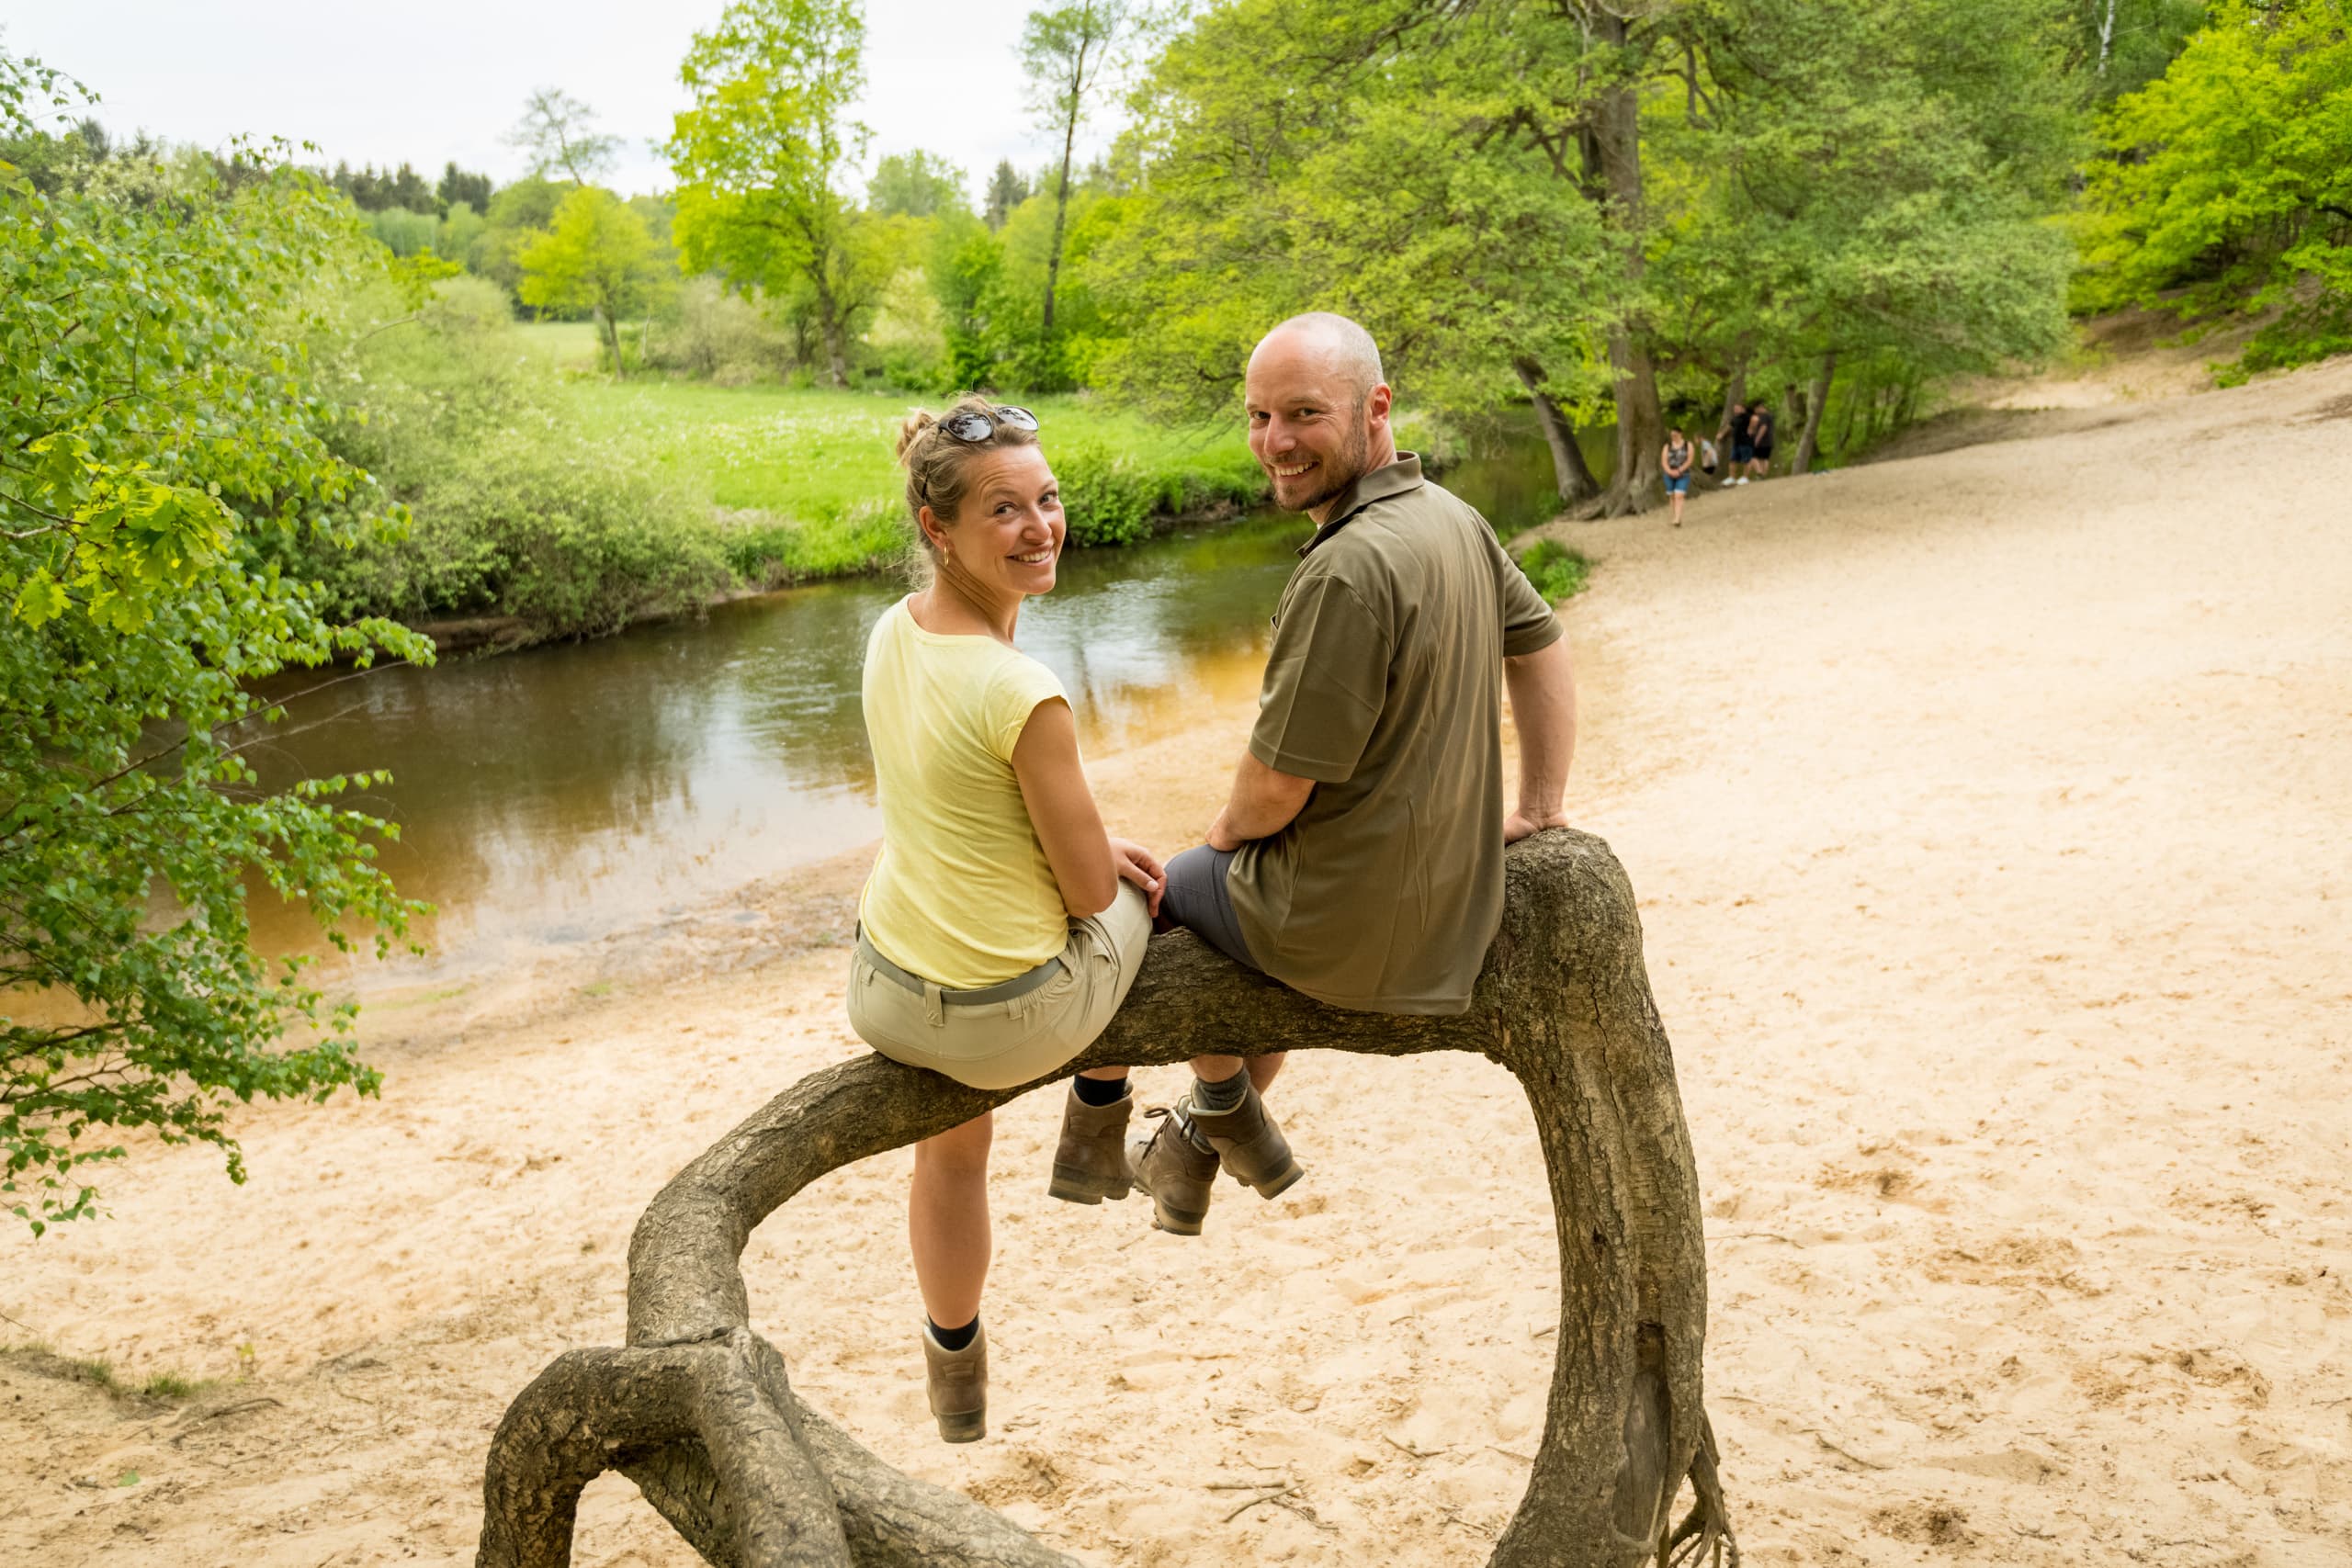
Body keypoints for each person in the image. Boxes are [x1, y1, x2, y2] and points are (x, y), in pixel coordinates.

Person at [1106, 311, 1580, 1237]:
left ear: (1376, 408)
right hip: (1449, 902)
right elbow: (1545, 647)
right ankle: (1202, 1151)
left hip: (1362, 932)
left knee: (1164, 891)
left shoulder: (1345, 571)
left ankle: (1171, 1133)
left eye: (1303, 415)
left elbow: (1276, 787)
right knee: (1241, 914)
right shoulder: (1452, 520)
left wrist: (1221, 839)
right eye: (1257, 417)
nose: (1274, 442)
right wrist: (1540, 804)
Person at [847, 395, 1172, 1445]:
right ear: (937, 529)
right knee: (1179, 894)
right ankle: (1100, 1108)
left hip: (889, 992)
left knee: (949, 1155)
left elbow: (962, 808)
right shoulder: (1021, 688)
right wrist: (1105, 859)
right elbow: (1088, 896)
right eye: (1003, 510)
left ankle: (955, 1369)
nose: (1040, 527)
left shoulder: (891, 634)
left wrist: (1084, 839)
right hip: (1008, 1021)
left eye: (1048, 498)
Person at [1661, 426, 1695, 526]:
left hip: (1683, 474)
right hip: (1669, 474)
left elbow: (1689, 460)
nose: (1673, 437)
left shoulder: (1688, 445)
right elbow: (1664, 461)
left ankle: (1677, 518)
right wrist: (1670, 471)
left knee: (1679, 495)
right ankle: (1675, 516)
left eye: (1675, 435)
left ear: (1680, 434)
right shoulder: (1667, 446)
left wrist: (1680, 470)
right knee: (1672, 496)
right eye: (1672, 435)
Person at [1722, 401, 1753, 486]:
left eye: (1737, 408)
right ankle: (1732, 477)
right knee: (1732, 460)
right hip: (1736, 443)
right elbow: (1730, 426)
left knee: (1746, 460)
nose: (1735, 410)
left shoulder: (1748, 416)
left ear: (1743, 408)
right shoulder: (1735, 417)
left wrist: (1751, 429)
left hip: (1746, 442)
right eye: (1734, 408)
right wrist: (1722, 434)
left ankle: (1745, 477)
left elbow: (1756, 420)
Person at [1747, 402, 1775, 482]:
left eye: (1756, 409)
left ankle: (1759, 473)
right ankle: (1763, 477)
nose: (1755, 411)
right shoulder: (1770, 415)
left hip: (1762, 441)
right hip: (1769, 441)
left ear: (1760, 407)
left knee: (1752, 457)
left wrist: (1756, 440)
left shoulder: (1762, 416)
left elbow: (1763, 427)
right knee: (1764, 458)